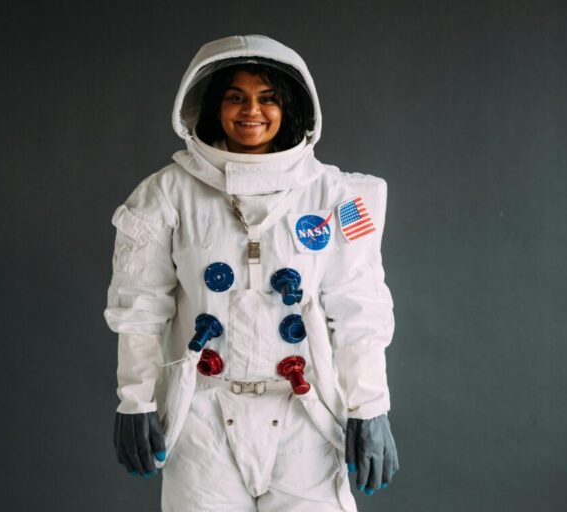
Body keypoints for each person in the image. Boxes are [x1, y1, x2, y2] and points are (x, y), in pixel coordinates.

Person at [105, 34, 398, 511]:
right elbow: (139, 306)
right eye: (235, 97)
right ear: (212, 105)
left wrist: (371, 407)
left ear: (292, 108)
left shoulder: (334, 196)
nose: (251, 111)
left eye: (267, 98)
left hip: (306, 414)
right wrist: (135, 399)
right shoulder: (166, 194)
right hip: (204, 416)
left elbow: (359, 307)